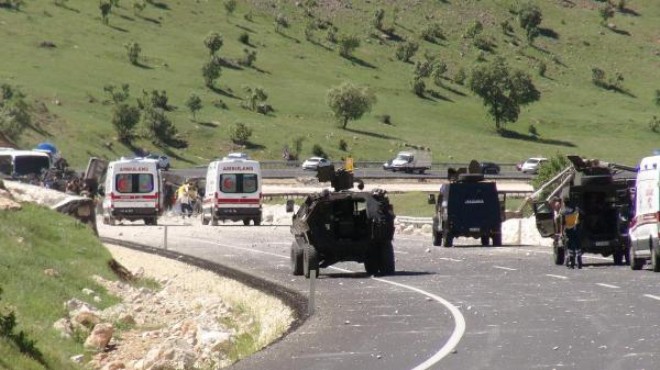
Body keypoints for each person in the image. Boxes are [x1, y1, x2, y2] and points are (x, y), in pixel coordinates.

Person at [561, 198, 582, 269]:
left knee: (570, 247)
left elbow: (563, 223)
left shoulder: (563, 211)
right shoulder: (575, 210)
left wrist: (562, 232)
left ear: (564, 203)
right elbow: (581, 216)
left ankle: (572, 263)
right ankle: (579, 262)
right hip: (576, 230)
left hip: (569, 230)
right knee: (578, 245)